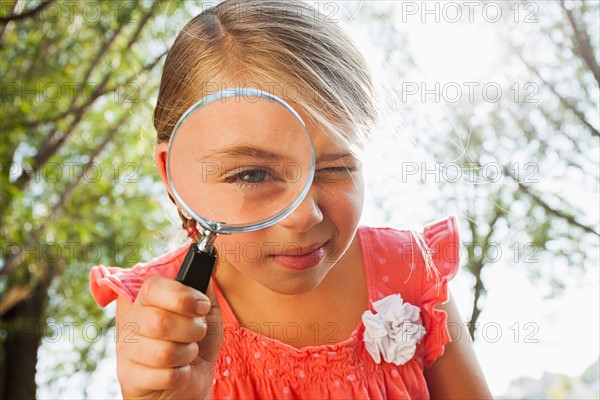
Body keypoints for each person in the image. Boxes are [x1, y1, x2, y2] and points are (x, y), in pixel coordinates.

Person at [89, 1, 492, 398]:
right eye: (253, 174)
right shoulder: (158, 310)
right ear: (175, 177)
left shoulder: (410, 270)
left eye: (335, 168)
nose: (304, 215)